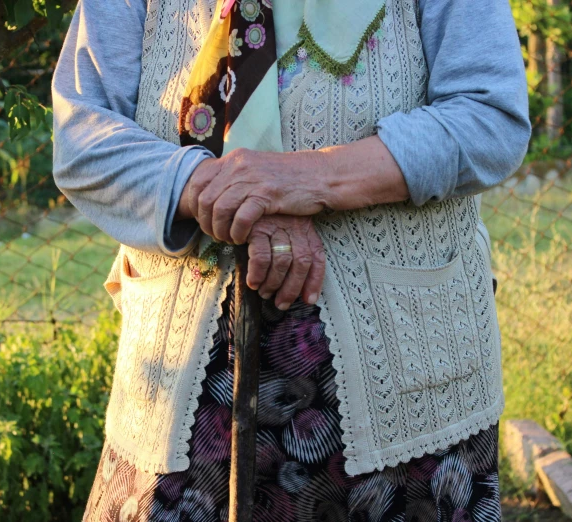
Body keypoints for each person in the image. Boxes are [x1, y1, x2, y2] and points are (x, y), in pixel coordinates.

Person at [52, 0, 531, 519]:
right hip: (181, 389)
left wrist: (307, 179)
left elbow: (489, 118)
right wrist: (229, 193)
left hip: (406, 388)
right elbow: (83, 136)